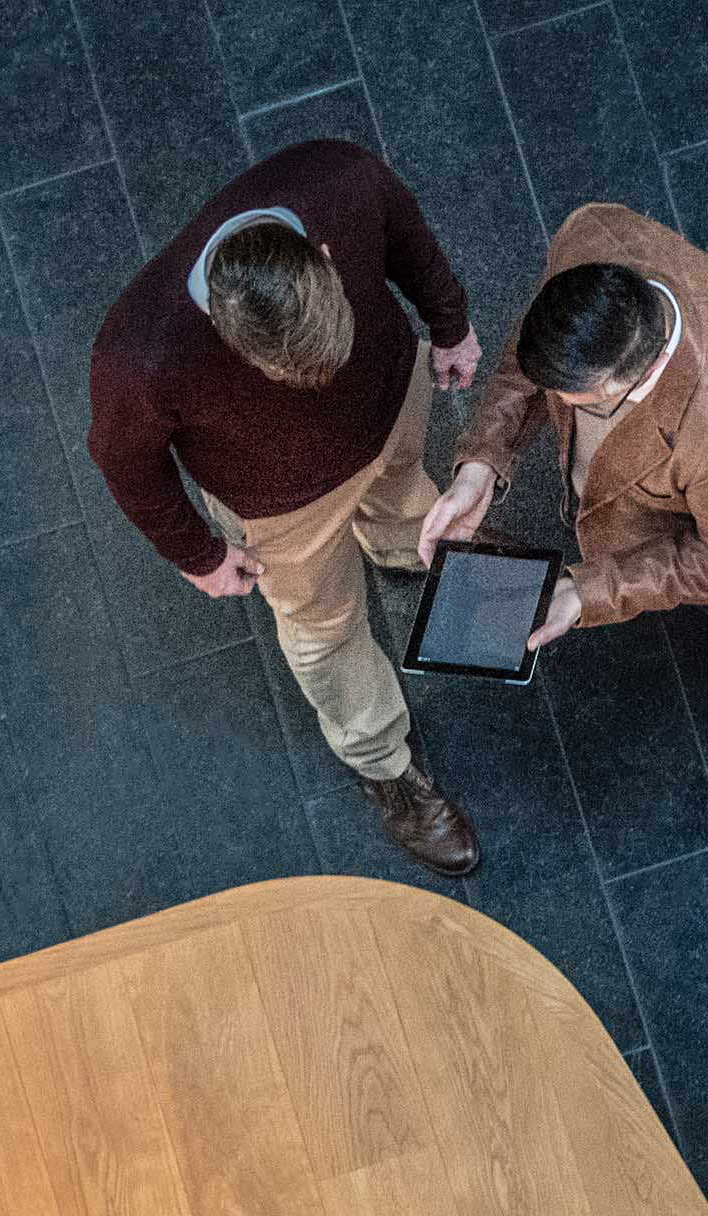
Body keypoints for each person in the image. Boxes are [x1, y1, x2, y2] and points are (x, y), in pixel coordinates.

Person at [87, 138, 482, 874]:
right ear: (228, 342)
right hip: (283, 504)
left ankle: (403, 547)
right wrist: (199, 555)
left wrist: (449, 321)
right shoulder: (138, 358)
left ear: (327, 258)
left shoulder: (341, 180)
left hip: (395, 400)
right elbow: (124, 463)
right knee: (323, 628)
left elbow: (406, 233)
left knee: (405, 491)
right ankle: (381, 762)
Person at [421, 207, 708, 768]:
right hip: (683, 504)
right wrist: (481, 464)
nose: (551, 396)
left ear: (619, 382)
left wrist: (591, 592)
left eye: (569, 395)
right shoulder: (591, 237)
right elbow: (529, 360)